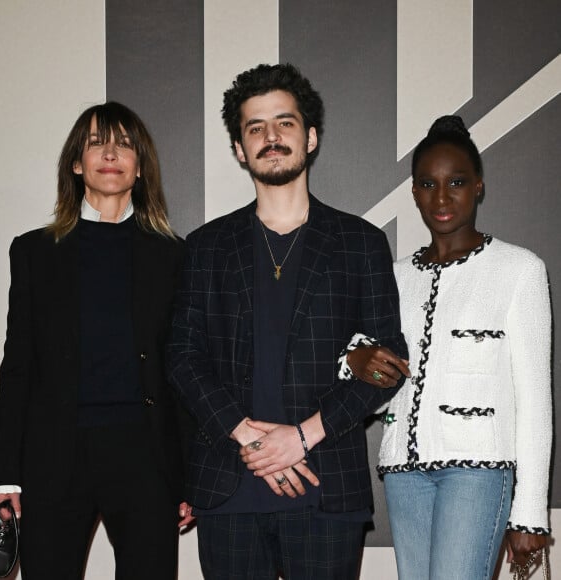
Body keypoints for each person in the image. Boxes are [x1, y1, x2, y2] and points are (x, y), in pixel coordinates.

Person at [166, 63, 409, 579]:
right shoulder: (206, 247)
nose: (271, 137)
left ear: (311, 136)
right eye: (255, 128)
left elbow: (385, 364)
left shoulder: (359, 242)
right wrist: (248, 437)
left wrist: (300, 437)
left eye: (285, 123)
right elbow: (182, 357)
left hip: (325, 485)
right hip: (228, 485)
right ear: (239, 148)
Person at [342, 115, 552, 579]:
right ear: (414, 192)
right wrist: (354, 358)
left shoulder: (519, 270)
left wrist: (530, 511)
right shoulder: (393, 276)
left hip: (479, 473)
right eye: (428, 184)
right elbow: (367, 367)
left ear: (478, 185)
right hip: (403, 472)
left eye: (456, 181)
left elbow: (535, 399)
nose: (442, 197)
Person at [0, 101, 188, 580]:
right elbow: (18, 365)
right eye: (97, 142)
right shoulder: (34, 251)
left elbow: (182, 369)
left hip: (145, 456)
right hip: (56, 454)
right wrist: (5, 475)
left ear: (140, 166)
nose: (110, 153)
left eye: (124, 144)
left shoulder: (175, 255)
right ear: (76, 163)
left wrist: (188, 476)